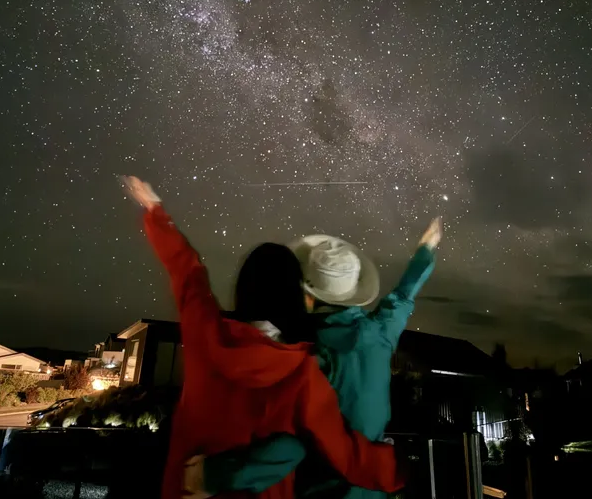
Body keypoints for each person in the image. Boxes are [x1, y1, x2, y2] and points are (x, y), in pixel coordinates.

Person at [121, 177, 407, 499]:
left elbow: (187, 272)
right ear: (296, 296)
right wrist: (396, 467)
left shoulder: (204, 332)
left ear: (244, 287)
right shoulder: (303, 371)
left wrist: (155, 210)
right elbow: (343, 451)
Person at [196, 218, 443, 499]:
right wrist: (426, 250)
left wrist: (210, 476)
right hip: (372, 489)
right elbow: (403, 295)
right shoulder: (381, 332)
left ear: (309, 297)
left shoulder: (309, 354)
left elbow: (290, 444)